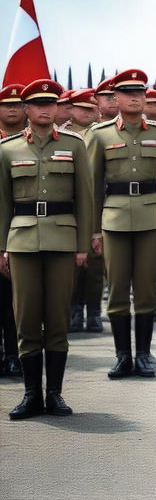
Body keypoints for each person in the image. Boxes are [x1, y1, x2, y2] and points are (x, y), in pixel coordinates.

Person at [0, 79, 92, 419]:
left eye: (50, 104)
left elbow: (84, 197)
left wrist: (83, 245)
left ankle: (54, 393)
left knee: (57, 318)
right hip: (21, 241)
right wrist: (1, 247)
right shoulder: (8, 149)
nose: (44, 109)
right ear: (26, 109)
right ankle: (30, 394)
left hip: (62, 240)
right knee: (25, 319)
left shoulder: (75, 145)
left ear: (56, 108)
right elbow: (3, 204)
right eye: (37, 104)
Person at [86, 69, 156, 379]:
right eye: (128, 93)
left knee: (147, 290)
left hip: (151, 220)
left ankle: (144, 355)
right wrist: (94, 230)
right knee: (118, 290)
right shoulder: (100, 135)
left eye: (140, 92)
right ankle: (123, 356)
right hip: (115, 219)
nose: (135, 98)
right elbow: (93, 188)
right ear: (116, 98)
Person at [62, 89, 104, 333]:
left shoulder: (100, 133)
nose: (88, 113)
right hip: (69, 203)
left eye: (91, 108)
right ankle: (75, 309)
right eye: (83, 108)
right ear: (72, 109)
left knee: (95, 263)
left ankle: (94, 312)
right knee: (73, 263)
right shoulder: (62, 134)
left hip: (96, 202)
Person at [0, 84, 26, 379]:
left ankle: (13, 355)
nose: (12, 109)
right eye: (6, 104)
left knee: (13, 299)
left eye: (18, 105)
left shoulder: (26, 144)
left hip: (18, 227)